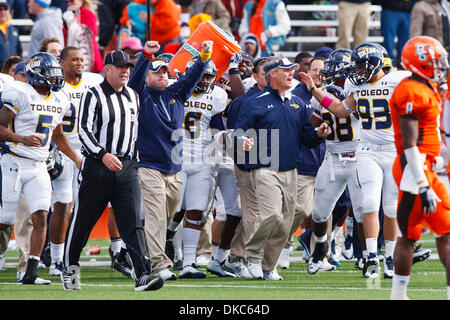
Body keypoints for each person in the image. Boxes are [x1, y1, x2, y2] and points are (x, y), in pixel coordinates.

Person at [299, 42, 411, 279]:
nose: (356, 73)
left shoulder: (398, 79)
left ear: (373, 64)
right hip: (366, 150)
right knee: (369, 204)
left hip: (390, 149)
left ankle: (388, 258)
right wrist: (314, 90)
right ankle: (371, 258)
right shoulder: (355, 85)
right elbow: (340, 110)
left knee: (390, 208)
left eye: (360, 68)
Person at [62, 50, 164, 292]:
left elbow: (134, 133)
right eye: (120, 67)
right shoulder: (93, 94)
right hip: (98, 167)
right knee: (83, 222)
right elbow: (83, 130)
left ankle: (142, 275)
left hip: (127, 166)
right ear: (107, 70)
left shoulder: (132, 95)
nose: (125, 71)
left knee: (132, 223)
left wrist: (134, 162)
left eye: (127, 67)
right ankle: (70, 270)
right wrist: (102, 154)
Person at [235, 56, 331, 280]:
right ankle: (253, 257)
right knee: (272, 215)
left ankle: (269, 266)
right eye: (286, 70)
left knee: (289, 220)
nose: (291, 74)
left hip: (290, 169)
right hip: (264, 167)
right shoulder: (254, 102)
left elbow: (307, 136)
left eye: (292, 70)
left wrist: (318, 133)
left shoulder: (297, 103)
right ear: (272, 74)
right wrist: (244, 142)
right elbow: (239, 133)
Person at [127, 40, 213, 282]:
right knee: (155, 216)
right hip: (148, 165)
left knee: (166, 216)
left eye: (165, 71)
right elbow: (134, 80)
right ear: (148, 77)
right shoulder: (139, 96)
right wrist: (146, 56)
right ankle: (159, 264)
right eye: (157, 72)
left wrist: (205, 57)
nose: (163, 76)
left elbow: (192, 78)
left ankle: (140, 256)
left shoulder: (175, 93)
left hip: (174, 167)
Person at [0, 52, 81, 285]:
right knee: (4, 220)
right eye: (49, 74)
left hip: (38, 165)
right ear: (35, 74)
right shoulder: (20, 92)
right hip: (13, 160)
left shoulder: (60, 100)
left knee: (41, 216)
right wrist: (22, 138)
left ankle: (31, 272)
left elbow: (58, 136)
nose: (54, 78)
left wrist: (76, 159)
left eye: (56, 74)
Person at [389, 36, 450, 300]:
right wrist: (423, 184)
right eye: (435, 62)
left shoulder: (425, 87)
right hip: (414, 171)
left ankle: (398, 295)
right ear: (420, 63)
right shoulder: (412, 91)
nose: (440, 67)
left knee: (410, 235)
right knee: (435, 233)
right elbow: (411, 145)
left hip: (419, 168)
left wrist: (435, 161)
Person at [46, 46, 103, 277]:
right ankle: (56, 260)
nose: (79, 63)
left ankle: (71, 255)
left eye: (82, 59)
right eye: (74, 59)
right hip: (64, 151)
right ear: (61, 62)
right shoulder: (55, 87)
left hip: (89, 152)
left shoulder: (93, 82)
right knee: (62, 204)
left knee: (83, 208)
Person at [306, 49, 364, 274]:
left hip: (358, 155)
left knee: (361, 212)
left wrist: (343, 99)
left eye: (333, 67)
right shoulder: (320, 93)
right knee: (319, 213)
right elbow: (315, 120)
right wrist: (320, 127)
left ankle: (368, 257)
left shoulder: (358, 90)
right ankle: (320, 249)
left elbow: (363, 118)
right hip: (332, 156)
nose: (328, 72)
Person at [62, 0, 104, 73]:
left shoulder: (86, 14)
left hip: (88, 61)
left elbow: (87, 39)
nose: (69, 4)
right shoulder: (71, 15)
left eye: (72, 1)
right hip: (76, 60)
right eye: (67, 2)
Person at [380, 0, 419, 67]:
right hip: (390, 9)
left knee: (405, 41)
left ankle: (402, 64)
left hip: (408, 11)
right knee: (388, 41)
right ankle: (387, 65)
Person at [0, 0, 22, 70]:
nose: (2, 12)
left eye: (5, 9)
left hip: (12, 73)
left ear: (9, 11)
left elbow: (19, 51)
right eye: (0, 9)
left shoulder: (13, 30)